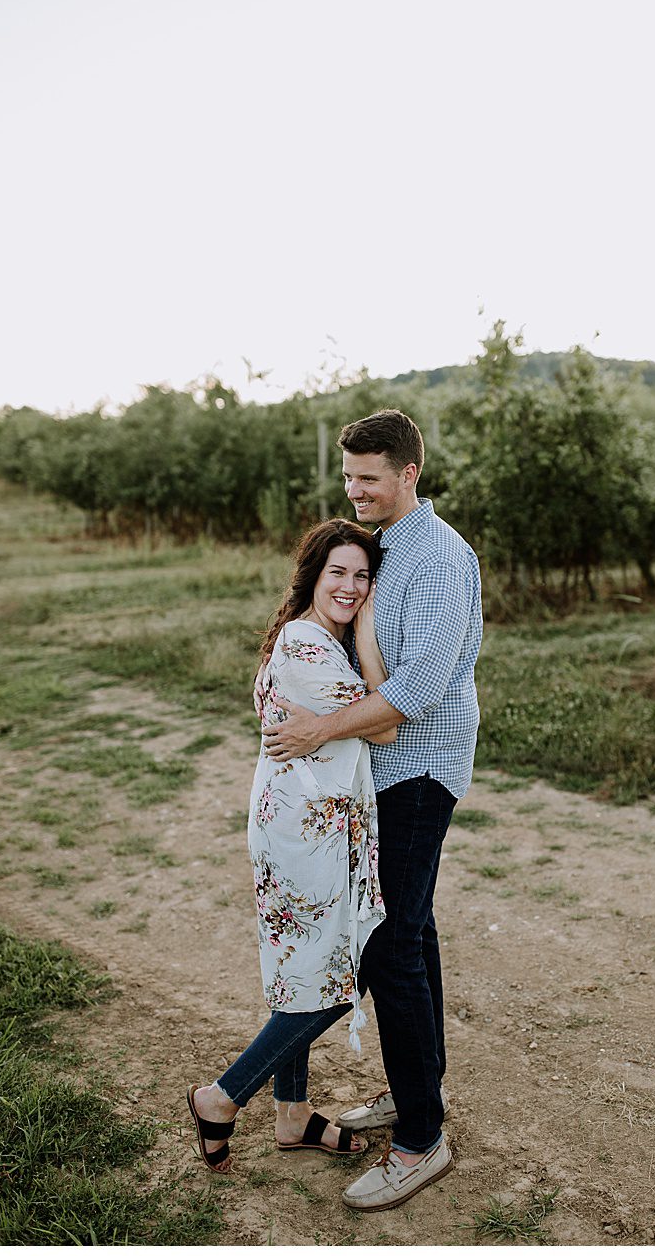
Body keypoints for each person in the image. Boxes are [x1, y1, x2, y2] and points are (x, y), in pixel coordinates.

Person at [262, 408, 482, 1213]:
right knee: (410, 934)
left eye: (368, 479)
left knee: (391, 945)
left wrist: (318, 727)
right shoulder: (389, 547)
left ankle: (421, 1141)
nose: (353, 492)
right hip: (383, 768)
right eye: (348, 477)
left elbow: (418, 690)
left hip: (418, 767)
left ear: (409, 475)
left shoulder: (438, 557)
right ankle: (416, 1092)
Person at [186, 519, 392, 1174]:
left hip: (296, 824)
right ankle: (222, 1096)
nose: (352, 587)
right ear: (312, 575)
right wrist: (366, 632)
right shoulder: (308, 645)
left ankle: (293, 1113)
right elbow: (385, 727)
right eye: (339, 573)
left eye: (363, 577)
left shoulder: (303, 637)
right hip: (307, 834)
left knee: (300, 972)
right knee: (334, 983)